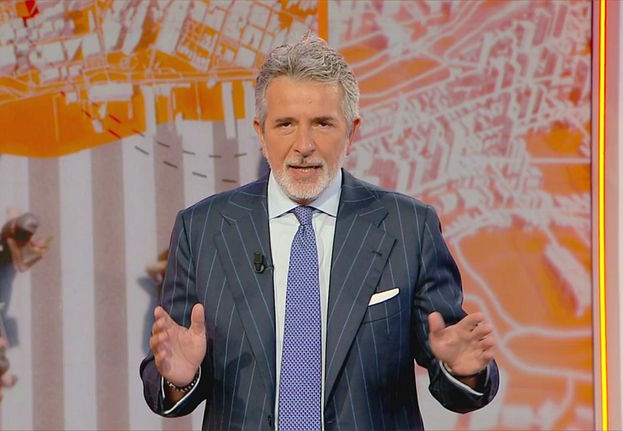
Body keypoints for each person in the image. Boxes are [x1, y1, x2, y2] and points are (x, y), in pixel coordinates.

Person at [140, 35, 499, 430]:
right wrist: (180, 377)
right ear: (261, 133)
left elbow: (453, 363)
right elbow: (164, 378)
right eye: (286, 124)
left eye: (322, 123)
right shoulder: (203, 229)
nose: (304, 145)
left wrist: (462, 370)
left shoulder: (409, 227)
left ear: (352, 131)